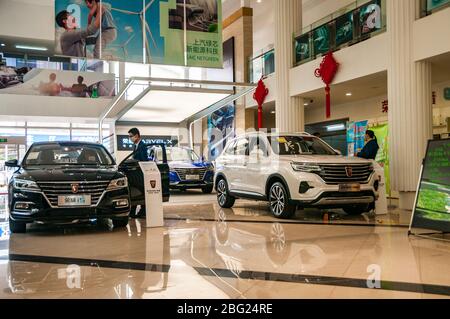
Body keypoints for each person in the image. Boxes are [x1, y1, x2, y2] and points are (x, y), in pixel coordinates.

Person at [128, 128, 148, 219]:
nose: (130, 138)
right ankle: (133, 211)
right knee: (136, 191)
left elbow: (144, 159)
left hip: (140, 173)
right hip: (136, 172)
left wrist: (135, 161)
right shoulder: (135, 145)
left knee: (141, 192)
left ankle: (142, 211)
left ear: (136, 136)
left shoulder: (142, 145)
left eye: (131, 136)